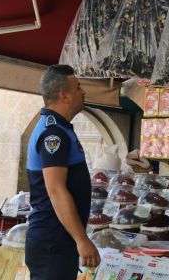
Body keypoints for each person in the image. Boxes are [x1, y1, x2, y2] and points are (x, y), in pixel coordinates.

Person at [25, 65, 99, 279]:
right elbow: (56, 190)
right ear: (64, 96)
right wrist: (82, 240)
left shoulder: (60, 128)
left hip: (57, 241)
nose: (83, 92)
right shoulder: (53, 134)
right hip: (52, 242)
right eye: (78, 88)